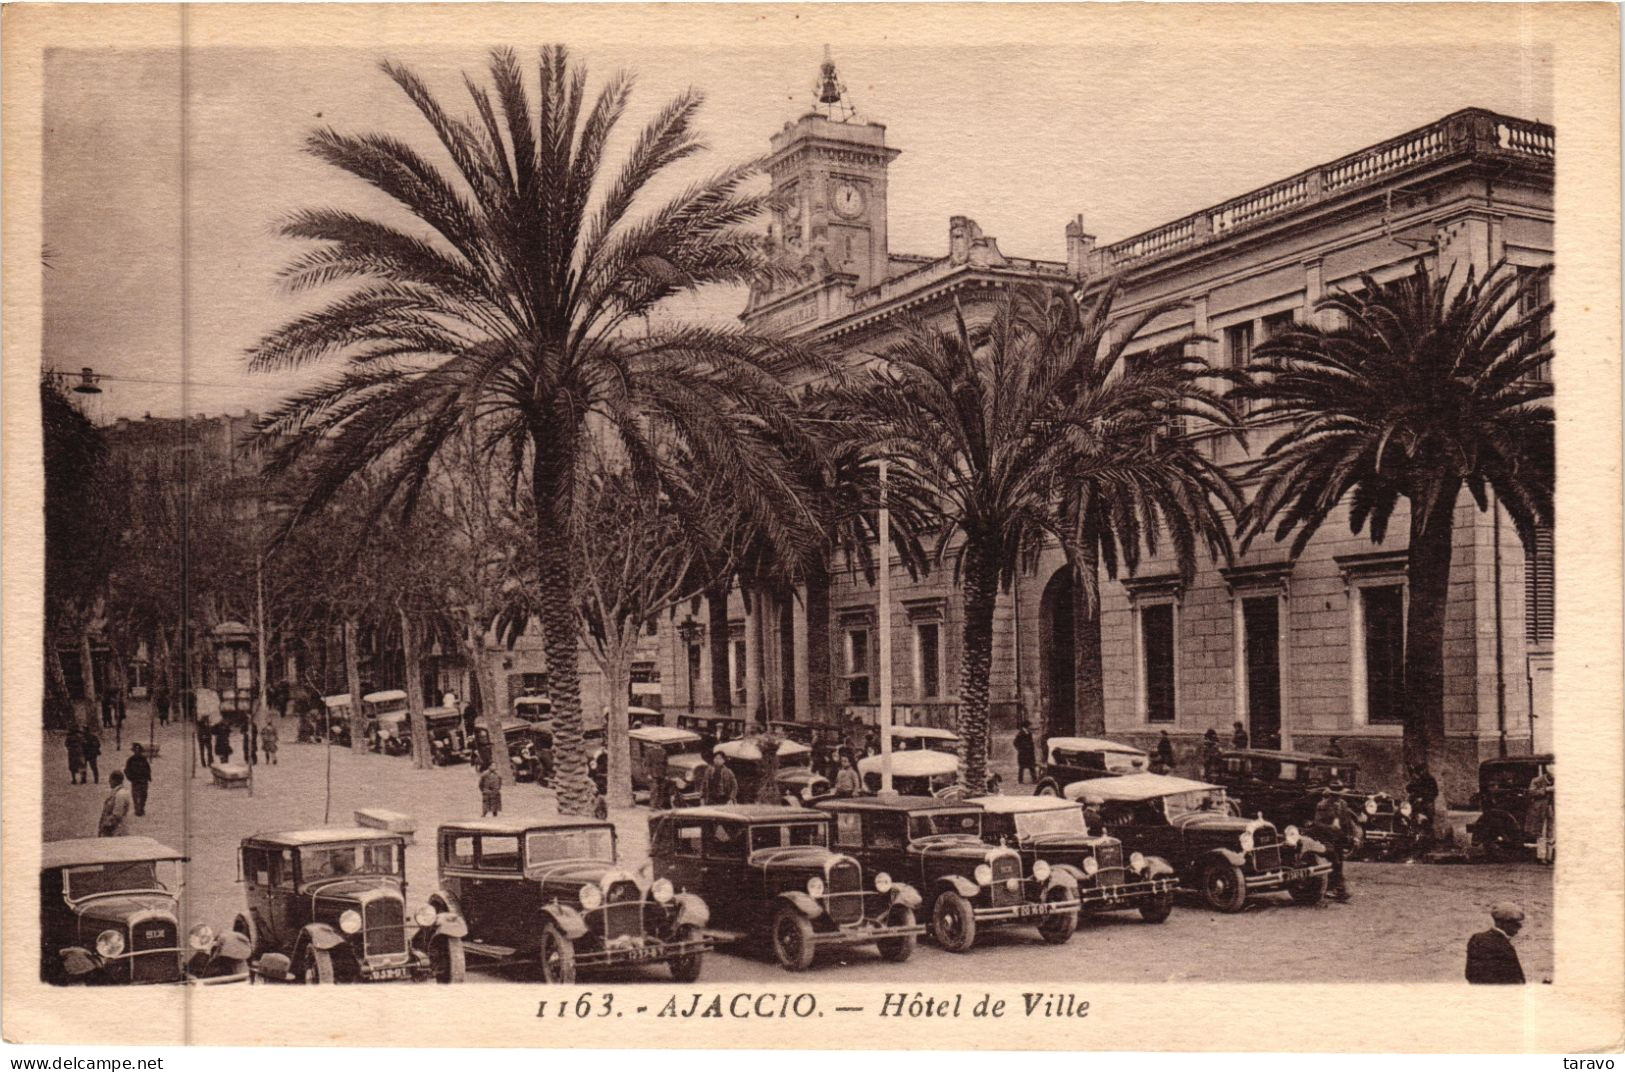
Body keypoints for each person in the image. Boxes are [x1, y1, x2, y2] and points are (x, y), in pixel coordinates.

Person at [1308, 785, 1356, 901]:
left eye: (1339, 794)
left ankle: (1337, 889)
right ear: (1330, 795)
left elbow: (1347, 822)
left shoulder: (1343, 804)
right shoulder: (1322, 805)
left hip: (1338, 838)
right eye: (1335, 795)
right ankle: (1338, 889)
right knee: (1334, 859)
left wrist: (1352, 836)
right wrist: (1331, 827)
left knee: (1339, 861)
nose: (1337, 797)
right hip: (1324, 837)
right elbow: (1317, 824)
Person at [1466, 903, 1527, 984]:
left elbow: (1470, 974)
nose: (1520, 927)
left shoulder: (1477, 938)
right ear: (1503, 923)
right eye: (1516, 924)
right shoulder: (1502, 944)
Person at [98, 772, 133, 837]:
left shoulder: (120, 794)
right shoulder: (118, 792)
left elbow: (117, 815)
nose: (109, 781)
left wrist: (105, 825)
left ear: (115, 780)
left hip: (116, 830)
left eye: (110, 780)